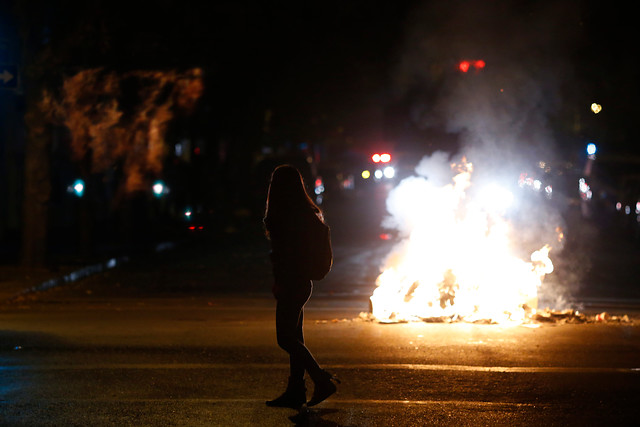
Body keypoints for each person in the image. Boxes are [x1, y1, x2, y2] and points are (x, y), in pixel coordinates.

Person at [263, 164, 339, 409]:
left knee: (285, 338)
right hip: (303, 281)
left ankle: (320, 379)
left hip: (290, 282)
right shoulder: (306, 212)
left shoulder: (281, 215)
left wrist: (278, 282)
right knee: (295, 337)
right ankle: (295, 390)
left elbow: (282, 255)